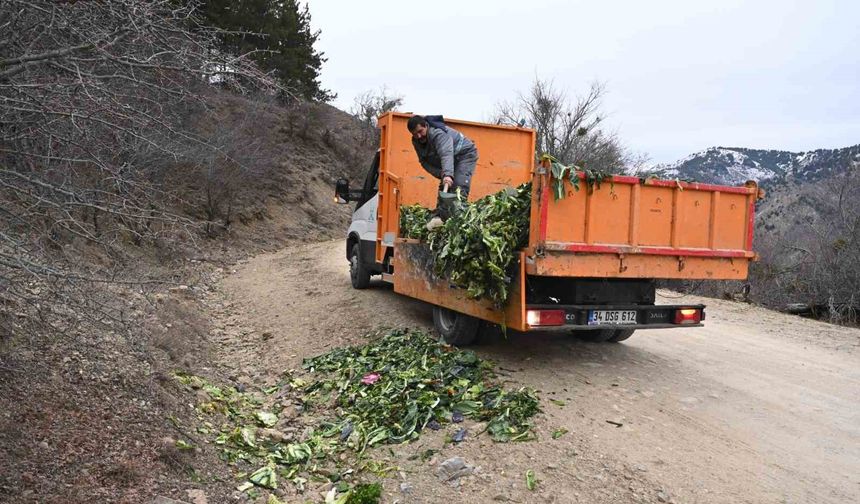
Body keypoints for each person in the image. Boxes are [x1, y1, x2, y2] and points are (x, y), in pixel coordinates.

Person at [407, 115, 478, 226]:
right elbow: (424, 162)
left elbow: (446, 154)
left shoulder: (438, 134)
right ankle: (441, 218)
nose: (419, 136)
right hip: (451, 160)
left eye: (420, 131)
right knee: (444, 188)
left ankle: (458, 221)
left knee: (458, 186)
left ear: (426, 126)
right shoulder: (416, 141)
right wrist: (441, 174)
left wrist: (448, 174)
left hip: (465, 155)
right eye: (415, 134)